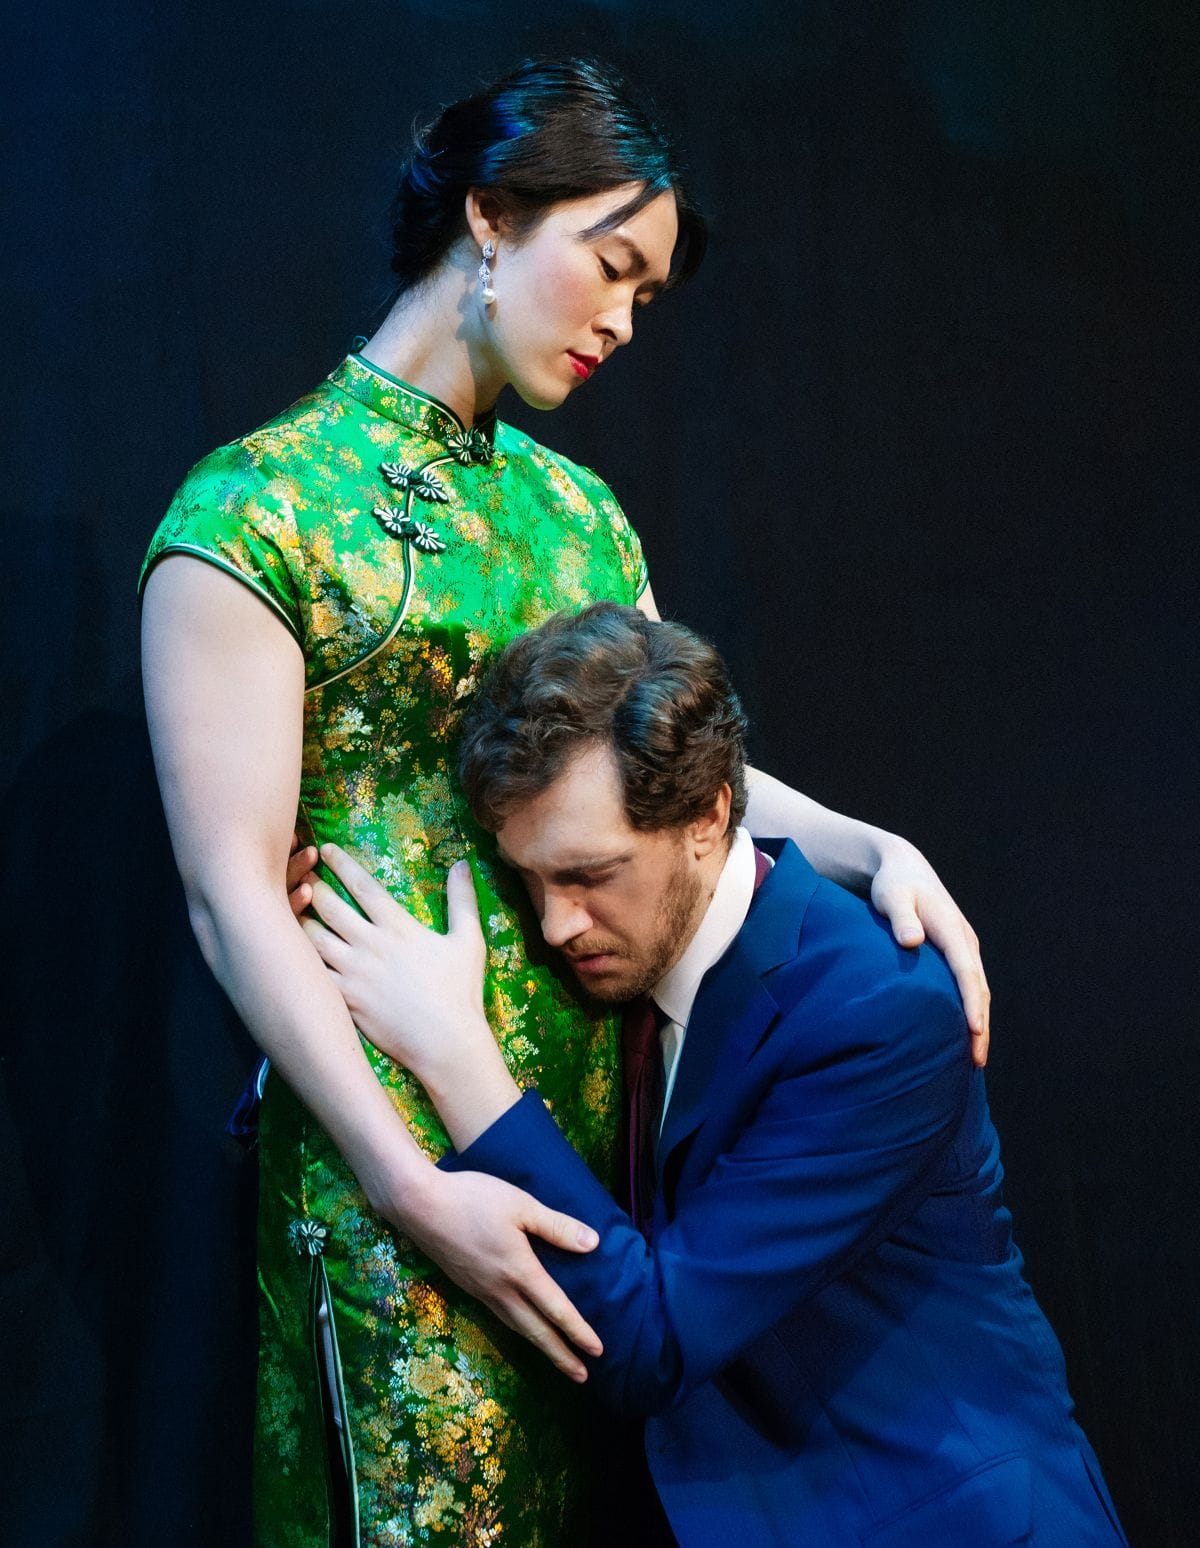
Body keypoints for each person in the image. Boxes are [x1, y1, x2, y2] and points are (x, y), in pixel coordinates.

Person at [140, 59, 990, 1545]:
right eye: (609, 266)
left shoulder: (576, 512)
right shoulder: (256, 514)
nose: (623, 322)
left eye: (647, 297)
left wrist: (874, 849)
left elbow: (688, 778)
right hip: (396, 1159)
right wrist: (407, 1187)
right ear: (489, 218)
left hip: (598, 1151)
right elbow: (230, 899)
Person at [302, 603, 1127, 1548]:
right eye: (530, 880)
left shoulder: (879, 1009)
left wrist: (458, 1059)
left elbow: (651, 1341)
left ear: (709, 816)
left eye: (590, 875)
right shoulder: (628, 956)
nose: (556, 924)